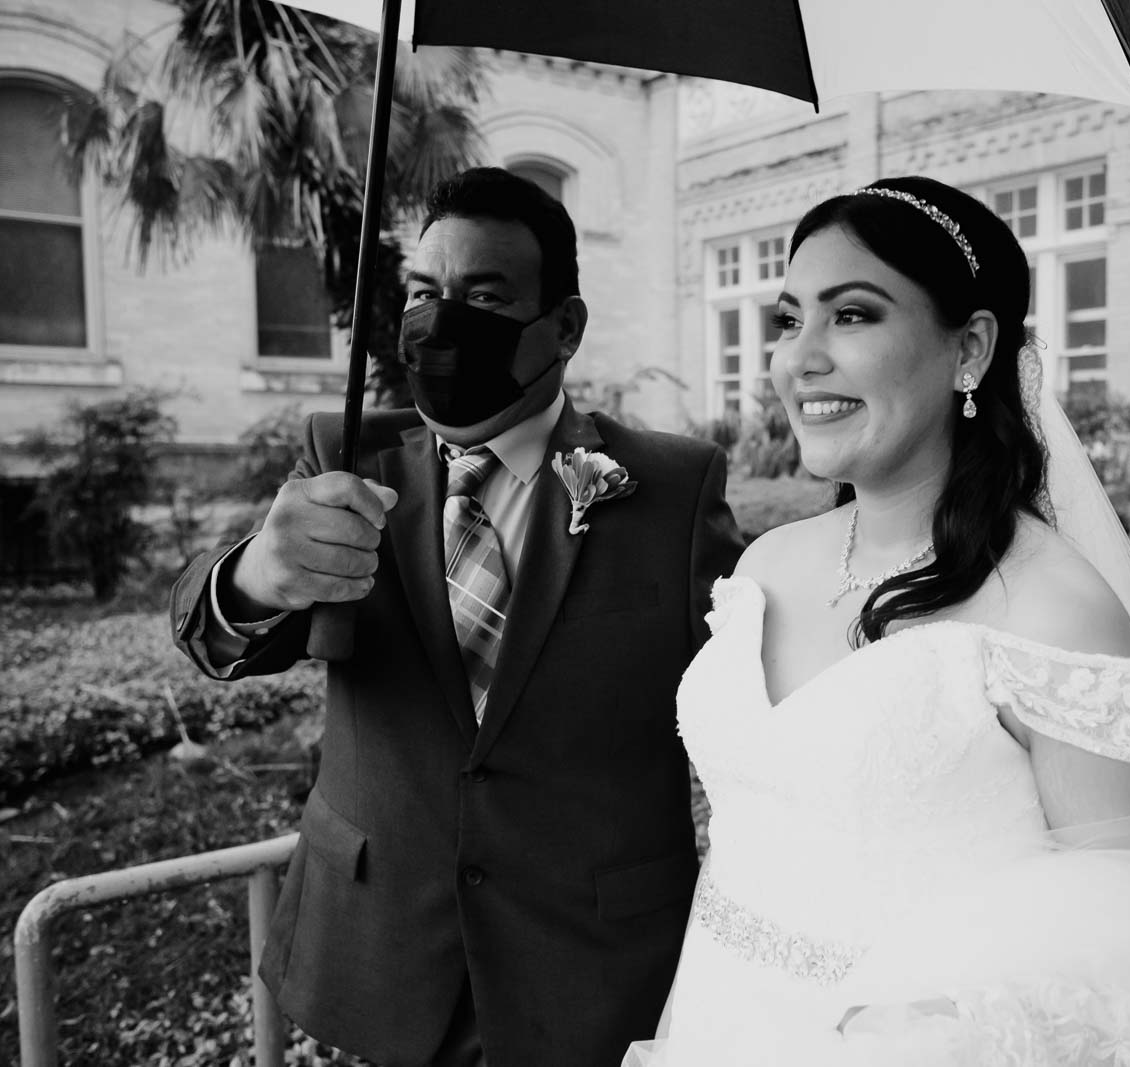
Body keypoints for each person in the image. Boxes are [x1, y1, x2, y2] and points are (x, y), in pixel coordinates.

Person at [623, 176, 1130, 1066]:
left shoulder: (1052, 608)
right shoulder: (767, 564)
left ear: (971, 349)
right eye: (789, 319)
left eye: (853, 316)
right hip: (722, 1020)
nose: (799, 359)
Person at [169, 167, 744, 1067]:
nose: (442, 320)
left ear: (565, 327)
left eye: (483, 296)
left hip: (595, 964)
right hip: (383, 949)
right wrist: (255, 576)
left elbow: (753, 702)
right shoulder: (346, 455)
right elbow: (206, 630)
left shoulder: (673, 486)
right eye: (424, 293)